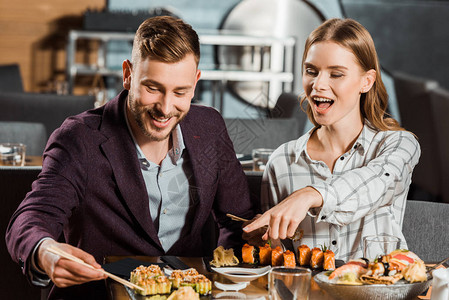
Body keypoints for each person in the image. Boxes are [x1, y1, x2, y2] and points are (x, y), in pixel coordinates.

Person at [6, 16, 254, 299]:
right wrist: (45, 251)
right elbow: (31, 217)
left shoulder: (209, 128)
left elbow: (240, 221)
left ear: (195, 83)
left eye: (180, 92)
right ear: (128, 74)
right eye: (153, 88)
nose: (165, 107)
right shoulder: (79, 138)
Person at [243, 18, 420, 261]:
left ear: (366, 81)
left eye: (336, 74)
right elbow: (279, 258)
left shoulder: (398, 144)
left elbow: (377, 181)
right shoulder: (281, 161)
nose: (318, 84)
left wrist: (309, 195)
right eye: (311, 71)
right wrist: (265, 239)